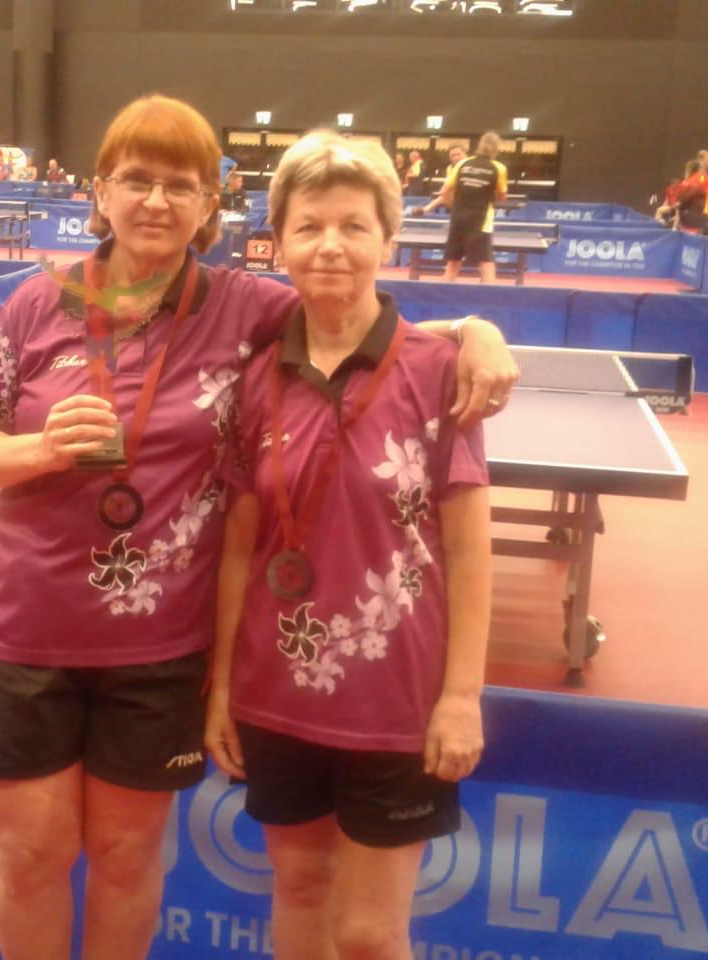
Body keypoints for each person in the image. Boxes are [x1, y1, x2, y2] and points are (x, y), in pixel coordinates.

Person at [0, 94, 517, 960]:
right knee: (29, 855)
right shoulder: (37, 302)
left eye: (181, 185)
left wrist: (475, 328)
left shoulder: (243, 306)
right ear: (100, 192)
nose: (156, 200)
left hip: (159, 648)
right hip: (29, 630)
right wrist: (38, 450)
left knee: (127, 855)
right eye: (136, 179)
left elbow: (355, 314)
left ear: (211, 205)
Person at [207, 128, 490, 960]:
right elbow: (238, 548)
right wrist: (220, 687)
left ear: (387, 240)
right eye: (309, 226)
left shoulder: (439, 371)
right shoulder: (256, 377)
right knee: (298, 888)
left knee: (369, 934)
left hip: (397, 698)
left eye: (354, 226)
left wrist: (462, 696)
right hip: (276, 688)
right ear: (279, 241)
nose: (330, 245)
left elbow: (469, 551)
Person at [434, 131, 507, 283]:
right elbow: (502, 197)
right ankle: (490, 293)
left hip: (458, 218)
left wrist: (453, 204)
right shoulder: (499, 168)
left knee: (453, 262)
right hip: (481, 220)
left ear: (479, 146)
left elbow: (444, 191)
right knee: (485, 261)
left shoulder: (462, 164)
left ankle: (442, 293)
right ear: (496, 149)